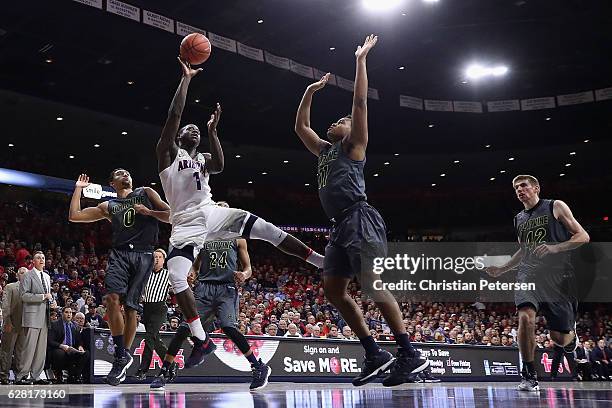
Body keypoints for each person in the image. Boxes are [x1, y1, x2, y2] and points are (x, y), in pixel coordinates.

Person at [154, 57, 324, 372]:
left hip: (211, 212)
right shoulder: (167, 153)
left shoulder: (202, 158)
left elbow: (219, 166)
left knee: (268, 230)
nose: (191, 129)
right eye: (188, 128)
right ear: (178, 137)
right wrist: (187, 79)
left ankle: (321, 262)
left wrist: (213, 131)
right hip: (184, 224)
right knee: (176, 277)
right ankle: (201, 340)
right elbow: (174, 114)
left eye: (196, 129)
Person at [294, 34, 428, 387]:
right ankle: (373, 353)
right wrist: (310, 92)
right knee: (334, 291)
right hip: (339, 226)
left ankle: (408, 353)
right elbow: (300, 127)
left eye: (341, 119)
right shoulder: (324, 150)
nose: (335, 122)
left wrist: (360, 60)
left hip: (360, 218)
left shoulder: (353, 146)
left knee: (371, 284)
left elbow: (359, 104)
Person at [486, 175, 590, 391]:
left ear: (536, 188)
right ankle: (528, 374)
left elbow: (582, 236)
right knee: (525, 316)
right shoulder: (519, 218)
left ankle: (571, 340)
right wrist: (502, 268)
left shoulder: (555, 206)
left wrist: (555, 248)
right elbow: (524, 251)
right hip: (528, 275)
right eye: (516, 187)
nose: (519, 189)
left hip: (558, 278)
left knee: (559, 338)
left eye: (523, 185)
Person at [68, 170, 170, 385]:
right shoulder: (108, 205)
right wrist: (78, 189)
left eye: (127, 172)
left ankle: (122, 355)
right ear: (111, 182)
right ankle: (122, 356)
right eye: (119, 173)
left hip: (144, 254)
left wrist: (149, 212)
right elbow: (74, 216)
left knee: (132, 308)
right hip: (120, 253)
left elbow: (171, 216)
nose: (125, 174)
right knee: (111, 299)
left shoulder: (146, 193)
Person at [151, 212, 271, 390]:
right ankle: (165, 371)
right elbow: (196, 265)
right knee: (184, 328)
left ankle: (258, 366)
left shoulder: (238, 239)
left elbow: (248, 268)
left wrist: (243, 275)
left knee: (229, 327)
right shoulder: (203, 237)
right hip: (204, 288)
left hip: (226, 288)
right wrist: (191, 273)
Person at [134, 248, 171, 380]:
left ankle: (143, 370)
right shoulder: (146, 273)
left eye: (159, 257)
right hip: (147, 308)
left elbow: (180, 287)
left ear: (164, 260)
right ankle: (171, 366)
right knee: (155, 341)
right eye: (155, 257)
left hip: (160, 308)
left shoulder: (168, 274)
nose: (156, 259)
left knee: (149, 337)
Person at [16, 252, 53, 385]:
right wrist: (42, 297)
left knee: (41, 349)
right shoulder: (28, 275)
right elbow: (24, 296)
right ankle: (21, 376)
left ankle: (36, 376)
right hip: (32, 316)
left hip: (45, 317)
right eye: (38, 258)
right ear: (33, 261)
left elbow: (48, 295)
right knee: (29, 347)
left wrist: (51, 300)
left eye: (43, 258)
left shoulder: (47, 277)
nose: (41, 260)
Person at [47, 307, 89, 383]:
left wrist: (80, 347)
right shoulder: (55, 324)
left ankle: (75, 376)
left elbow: (79, 341)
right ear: (62, 314)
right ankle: (59, 375)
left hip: (72, 349)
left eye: (70, 313)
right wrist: (62, 346)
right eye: (66, 312)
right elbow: (50, 341)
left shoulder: (75, 325)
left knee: (86, 353)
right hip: (59, 348)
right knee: (59, 353)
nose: (69, 314)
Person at [0, 267, 26, 384]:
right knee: (7, 351)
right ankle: (3, 376)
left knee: (21, 353)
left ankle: (19, 377)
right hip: (11, 324)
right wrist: (7, 321)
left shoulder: (30, 289)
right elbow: (5, 306)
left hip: (24, 325)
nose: (24, 275)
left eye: (26, 273)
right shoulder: (10, 287)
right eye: (21, 273)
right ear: (17, 275)